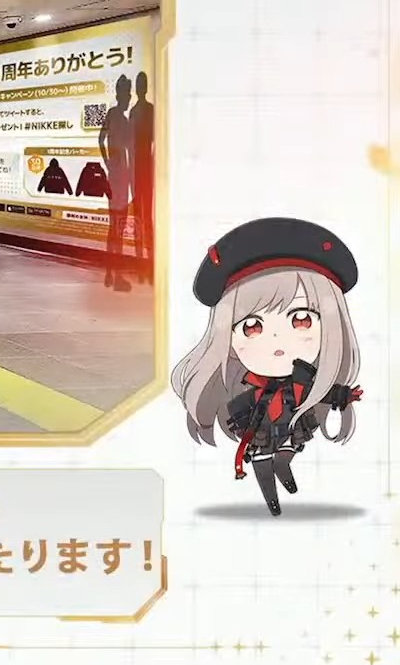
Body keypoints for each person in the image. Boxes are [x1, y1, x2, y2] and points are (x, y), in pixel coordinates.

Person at [171, 218, 364, 517]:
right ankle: (272, 501)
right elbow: (239, 411)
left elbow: (322, 391)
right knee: (262, 463)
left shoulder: (302, 378)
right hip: (262, 429)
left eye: (301, 319)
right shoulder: (251, 390)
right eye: (251, 326)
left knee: (285, 455)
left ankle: (285, 476)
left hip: (291, 425)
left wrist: (344, 396)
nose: (277, 341)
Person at [98, 75, 135, 290]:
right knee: (116, 226)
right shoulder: (114, 114)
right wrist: (108, 162)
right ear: (119, 94)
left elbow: (129, 149)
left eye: (128, 94)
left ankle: (111, 272)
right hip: (117, 177)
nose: (127, 98)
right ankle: (114, 274)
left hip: (121, 176)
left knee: (115, 227)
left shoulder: (123, 119)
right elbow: (100, 139)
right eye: (125, 94)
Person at [130, 70, 155, 285]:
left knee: (145, 217)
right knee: (140, 216)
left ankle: (149, 262)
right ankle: (141, 262)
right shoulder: (136, 111)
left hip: (145, 167)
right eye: (139, 85)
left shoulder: (147, 110)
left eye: (142, 85)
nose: (140, 89)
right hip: (138, 168)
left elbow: (155, 140)